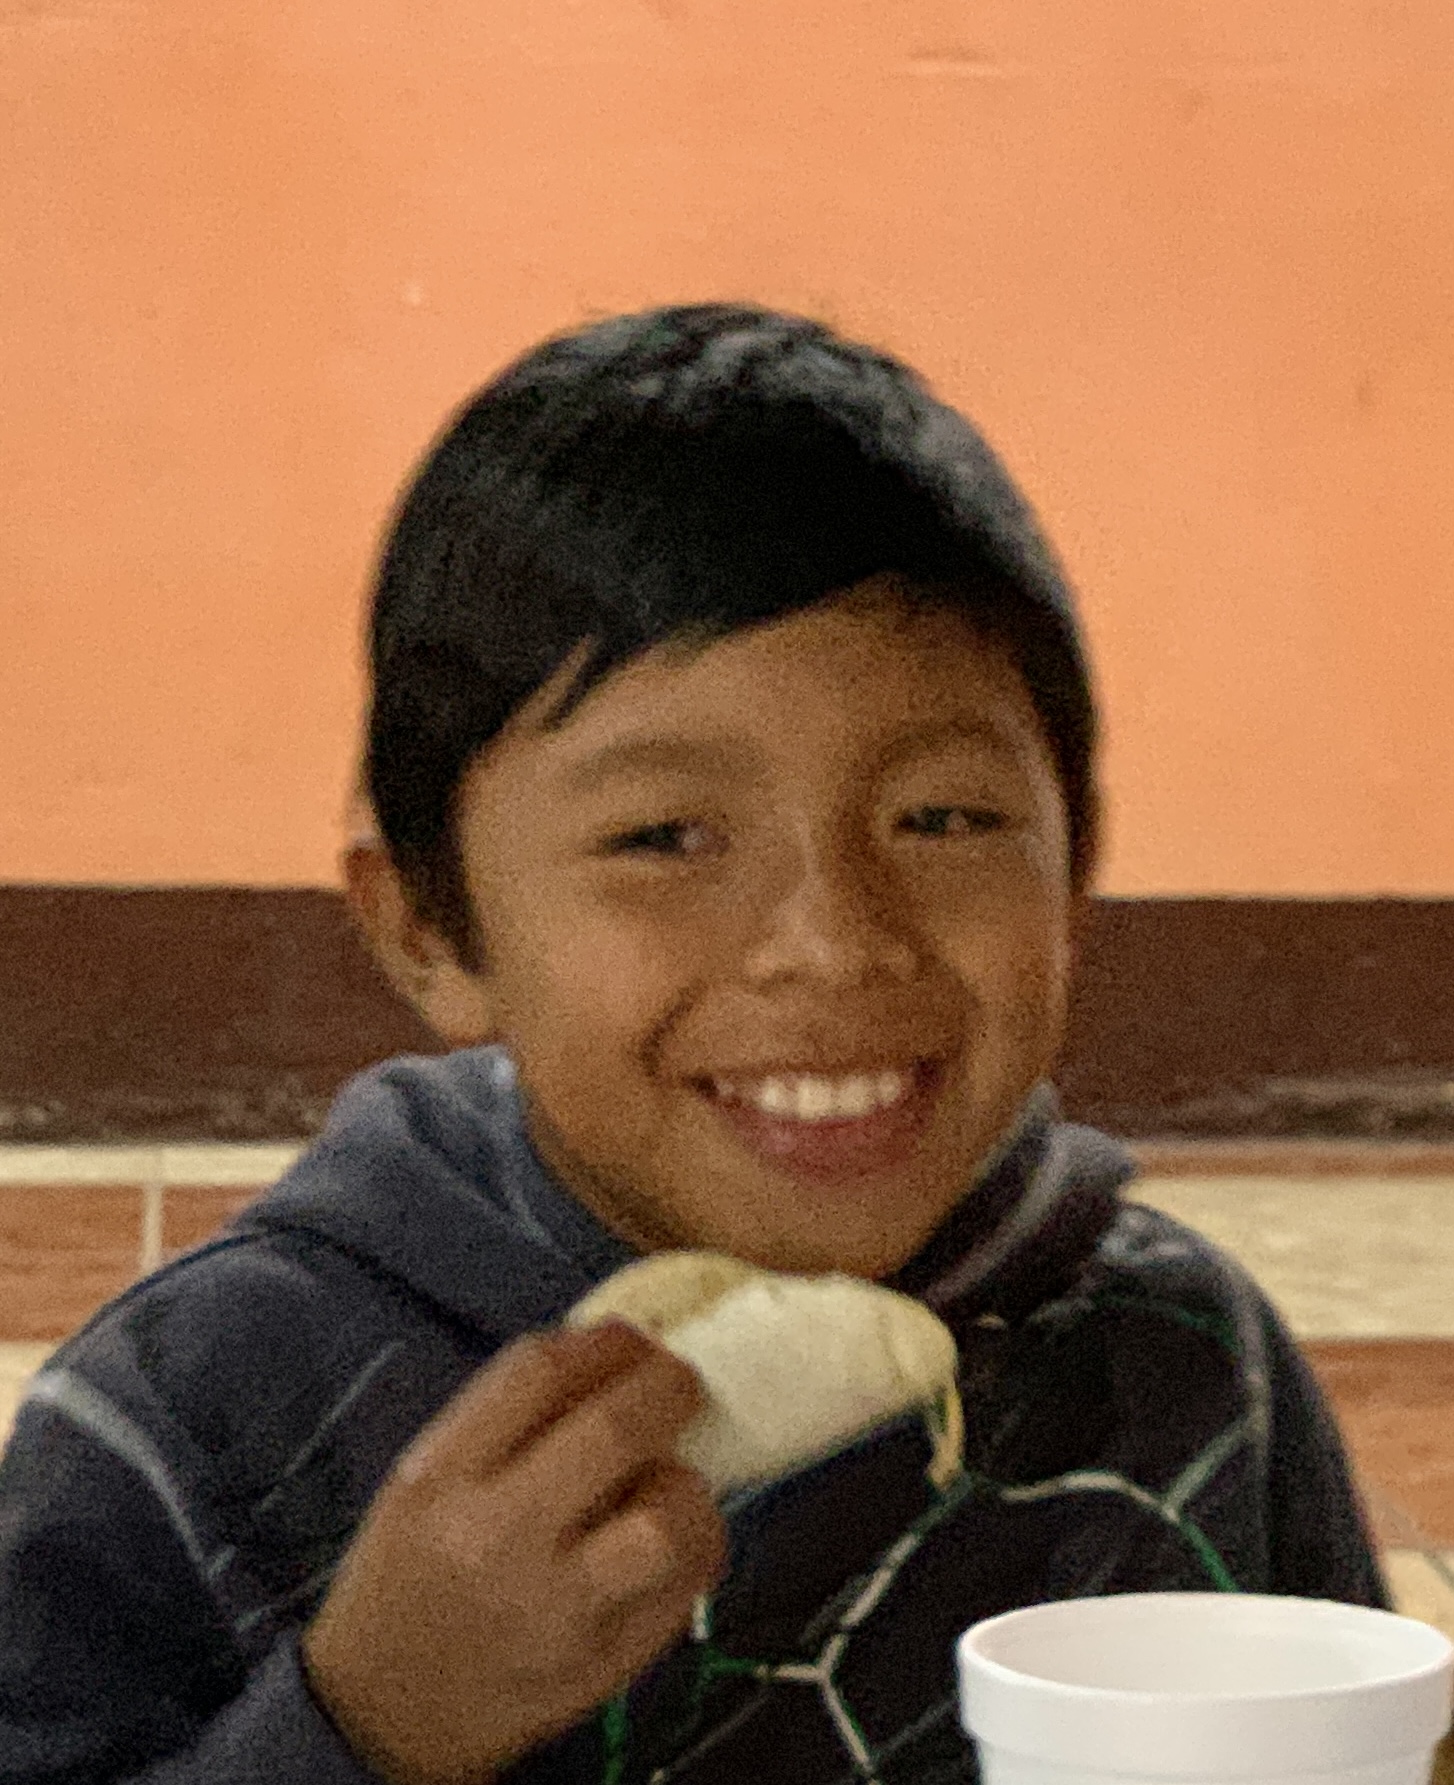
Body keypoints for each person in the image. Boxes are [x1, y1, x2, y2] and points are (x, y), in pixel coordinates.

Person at [0, 305, 1385, 1785]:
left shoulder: (1181, 1362)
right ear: (428, 927)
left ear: (1078, 862)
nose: (831, 941)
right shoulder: (203, 1420)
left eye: (942, 818)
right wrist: (369, 1723)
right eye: (665, 836)